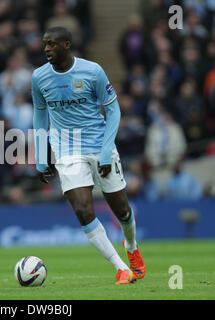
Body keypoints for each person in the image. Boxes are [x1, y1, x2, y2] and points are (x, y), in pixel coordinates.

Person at [31, 27, 145, 285]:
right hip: (67, 150)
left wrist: (106, 152)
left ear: (67, 45)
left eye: (52, 44)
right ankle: (120, 268)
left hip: (99, 146)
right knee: (82, 210)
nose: (46, 49)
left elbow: (113, 111)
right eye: (44, 44)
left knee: (123, 211)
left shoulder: (92, 71)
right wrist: (41, 157)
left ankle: (131, 246)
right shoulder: (39, 77)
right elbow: (39, 117)